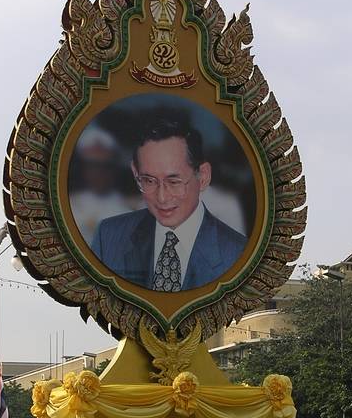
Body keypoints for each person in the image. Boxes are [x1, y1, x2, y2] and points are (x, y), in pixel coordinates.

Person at [91, 114, 247, 290]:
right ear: (135, 173)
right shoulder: (108, 237)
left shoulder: (238, 254)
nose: (162, 198)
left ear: (203, 176)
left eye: (174, 182)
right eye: (149, 181)